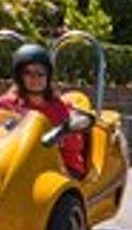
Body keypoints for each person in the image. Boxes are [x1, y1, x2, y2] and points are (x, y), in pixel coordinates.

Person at [6, 43, 87, 178]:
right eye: (28, 73)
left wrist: (60, 137)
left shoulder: (59, 107)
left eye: (40, 73)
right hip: (22, 162)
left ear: (48, 76)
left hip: (62, 165)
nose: (35, 78)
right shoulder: (11, 102)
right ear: (20, 76)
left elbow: (75, 144)